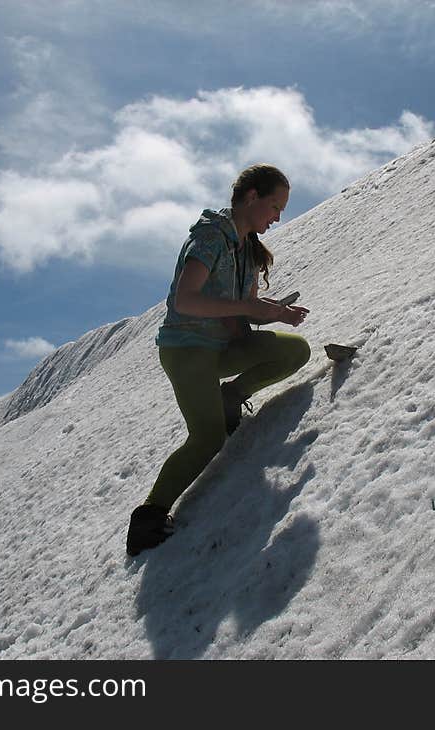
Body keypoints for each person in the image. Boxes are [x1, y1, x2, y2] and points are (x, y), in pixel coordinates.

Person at [126, 164, 311, 556]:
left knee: (295, 350)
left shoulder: (245, 249)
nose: (278, 217)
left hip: (219, 347)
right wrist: (248, 306)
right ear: (251, 197)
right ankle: (148, 518)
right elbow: (185, 299)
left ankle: (231, 397)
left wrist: (270, 313)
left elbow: (232, 313)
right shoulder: (211, 237)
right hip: (186, 349)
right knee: (207, 437)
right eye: (274, 206)